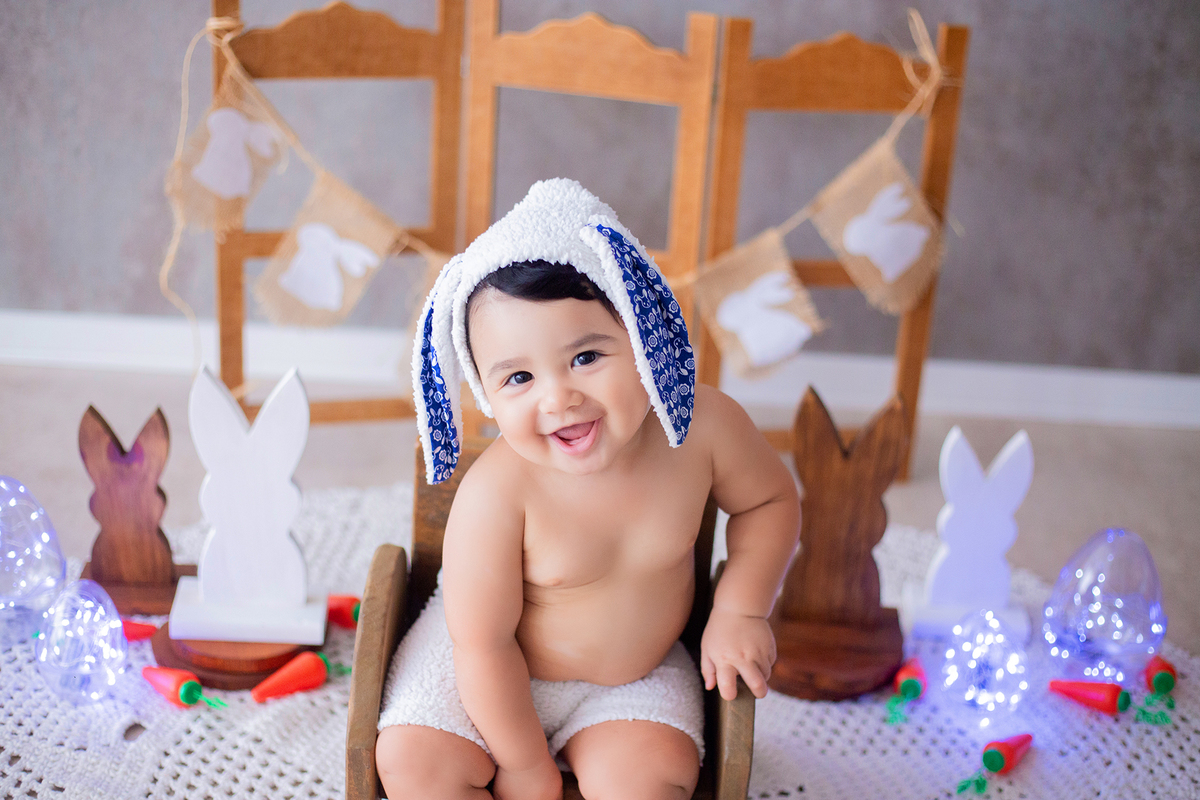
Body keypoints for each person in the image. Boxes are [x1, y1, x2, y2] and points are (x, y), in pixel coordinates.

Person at [376, 179, 799, 800]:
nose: (558, 398)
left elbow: (770, 501)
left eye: (585, 357)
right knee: (414, 764)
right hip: (484, 673)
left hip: (633, 677)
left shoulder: (703, 429)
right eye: (518, 377)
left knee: (647, 784)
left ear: (640, 335)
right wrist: (522, 764)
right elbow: (482, 644)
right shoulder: (497, 493)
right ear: (486, 398)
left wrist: (741, 607)